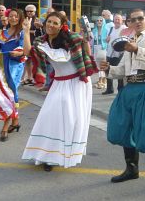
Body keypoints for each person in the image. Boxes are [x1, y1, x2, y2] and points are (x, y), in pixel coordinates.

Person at [100, 8, 145, 197]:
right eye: (133, 20)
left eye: (141, 18)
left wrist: (137, 49)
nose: (138, 22)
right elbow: (124, 70)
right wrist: (109, 69)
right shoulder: (129, 41)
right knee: (124, 127)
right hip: (129, 89)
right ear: (129, 23)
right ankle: (132, 169)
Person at [21, 11, 97, 171]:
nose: (51, 25)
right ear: (45, 22)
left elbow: (86, 54)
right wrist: (26, 32)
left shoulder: (72, 38)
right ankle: (46, 154)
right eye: (49, 22)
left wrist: (86, 43)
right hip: (59, 83)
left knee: (70, 120)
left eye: (55, 23)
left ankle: (58, 156)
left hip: (77, 83)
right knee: (50, 117)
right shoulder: (41, 41)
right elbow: (28, 53)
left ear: (61, 25)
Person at [0, 8, 26, 142]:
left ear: (20, 19)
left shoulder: (21, 33)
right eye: (11, 16)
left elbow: (24, 48)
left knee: (9, 92)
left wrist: (19, 52)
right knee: (3, 92)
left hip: (15, 66)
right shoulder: (2, 33)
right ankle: (15, 121)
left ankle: (6, 125)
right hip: (1, 65)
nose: (13, 18)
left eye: (16, 16)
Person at [103, 14, 127, 95]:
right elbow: (107, 40)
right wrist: (107, 39)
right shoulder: (111, 28)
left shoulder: (124, 28)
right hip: (109, 53)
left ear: (121, 21)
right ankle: (109, 88)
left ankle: (120, 89)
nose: (117, 21)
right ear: (113, 20)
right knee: (107, 71)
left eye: (118, 19)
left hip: (119, 54)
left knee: (119, 72)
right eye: (115, 19)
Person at [21, 4, 42, 86]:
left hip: (35, 42)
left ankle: (35, 78)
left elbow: (39, 32)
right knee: (27, 61)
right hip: (26, 43)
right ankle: (29, 77)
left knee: (35, 61)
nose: (29, 13)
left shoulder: (37, 20)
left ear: (35, 12)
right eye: (28, 11)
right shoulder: (24, 20)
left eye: (31, 11)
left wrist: (27, 30)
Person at [92, 16, 108, 89]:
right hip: (95, 48)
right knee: (98, 66)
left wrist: (106, 47)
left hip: (103, 48)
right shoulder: (94, 30)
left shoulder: (106, 30)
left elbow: (108, 41)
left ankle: (104, 81)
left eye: (101, 20)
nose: (99, 22)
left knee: (103, 65)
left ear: (103, 21)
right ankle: (100, 81)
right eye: (97, 20)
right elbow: (91, 40)